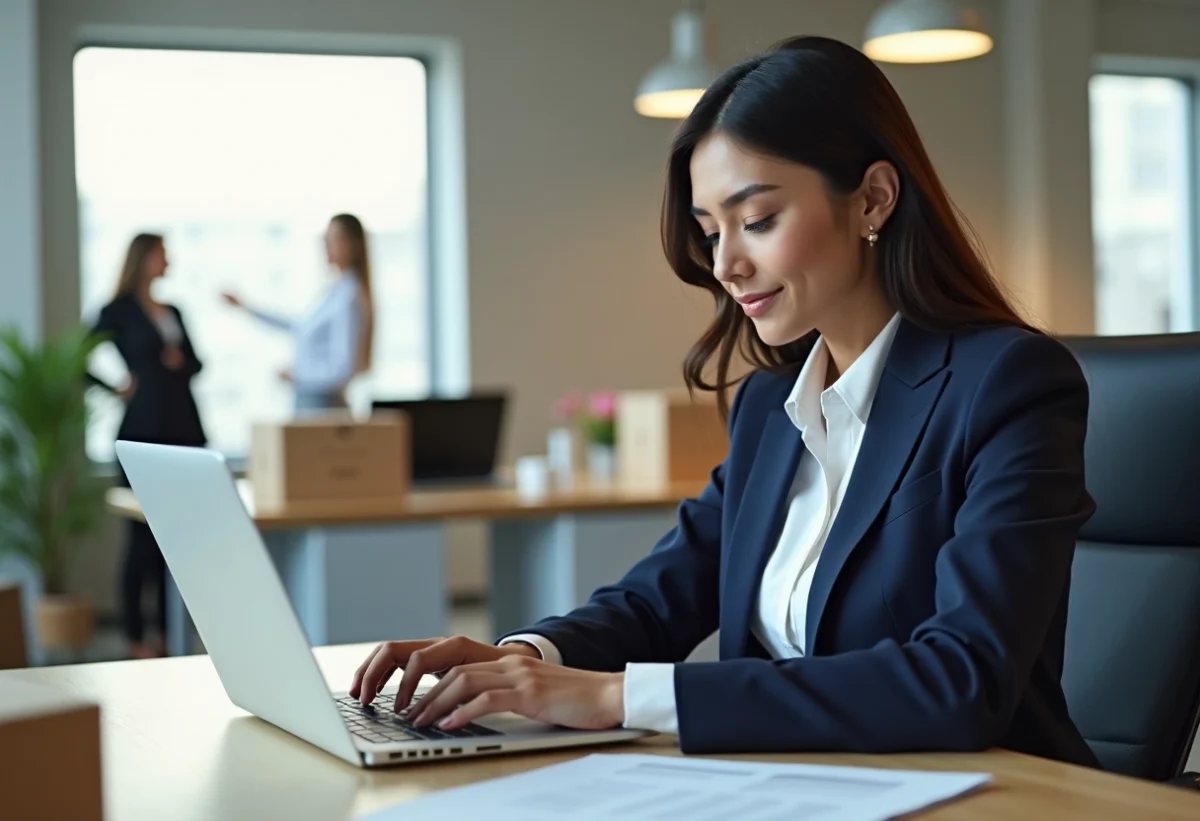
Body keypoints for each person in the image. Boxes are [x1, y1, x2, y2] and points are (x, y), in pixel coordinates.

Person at [348, 36, 1099, 766]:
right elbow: (658, 599)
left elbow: (960, 678)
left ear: (872, 199)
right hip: (795, 787)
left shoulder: (1008, 383)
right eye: (711, 231)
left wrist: (618, 697)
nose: (727, 264)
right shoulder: (771, 406)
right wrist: (519, 659)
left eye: (758, 219)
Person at [87, 233, 206, 659]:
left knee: (176, 540)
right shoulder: (116, 311)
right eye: (161, 253)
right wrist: (113, 387)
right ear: (143, 258)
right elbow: (78, 357)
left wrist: (179, 362)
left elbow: (196, 363)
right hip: (143, 431)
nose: (167, 259)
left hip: (184, 431)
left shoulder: (173, 310)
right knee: (140, 539)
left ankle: (169, 632)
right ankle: (136, 635)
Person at [221, 214, 374, 413]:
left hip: (324, 406)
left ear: (351, 245)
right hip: (311, 402)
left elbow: (343, 368)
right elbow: (299, 327)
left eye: (333, 239)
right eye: (324, 239)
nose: (325, 245)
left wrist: (299, 375)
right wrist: (247, 308)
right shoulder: (335, 291)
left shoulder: (350, 296)